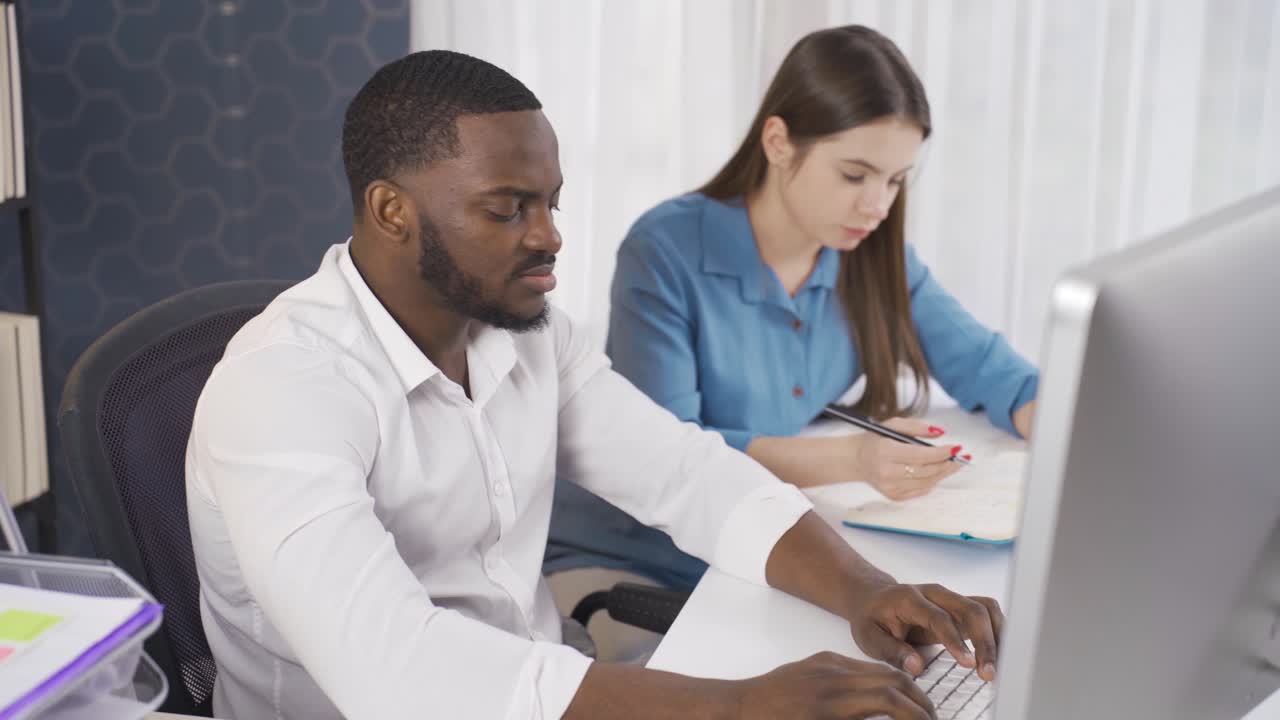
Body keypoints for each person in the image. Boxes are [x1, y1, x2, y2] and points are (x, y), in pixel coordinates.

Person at [186, 49, 1003, 720]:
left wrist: (869, 591)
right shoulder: (282, 389)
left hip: (543, 688)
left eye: (551, 203)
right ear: (392, 212)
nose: (549, 237)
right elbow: (398, 670)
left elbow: (687, 473)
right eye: (508, 210)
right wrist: (740, 707)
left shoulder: (527, 332)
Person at [547, 25, 1039, 603]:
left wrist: (1071, 443)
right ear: (778, 142)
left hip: (756, 546)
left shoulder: (871, 254)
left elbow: (994, 371)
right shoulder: (665, 251)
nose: (877, 205)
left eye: (894, 181)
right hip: (639, 555)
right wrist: (853, 457)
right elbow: (667, 457)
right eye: (855, 175)